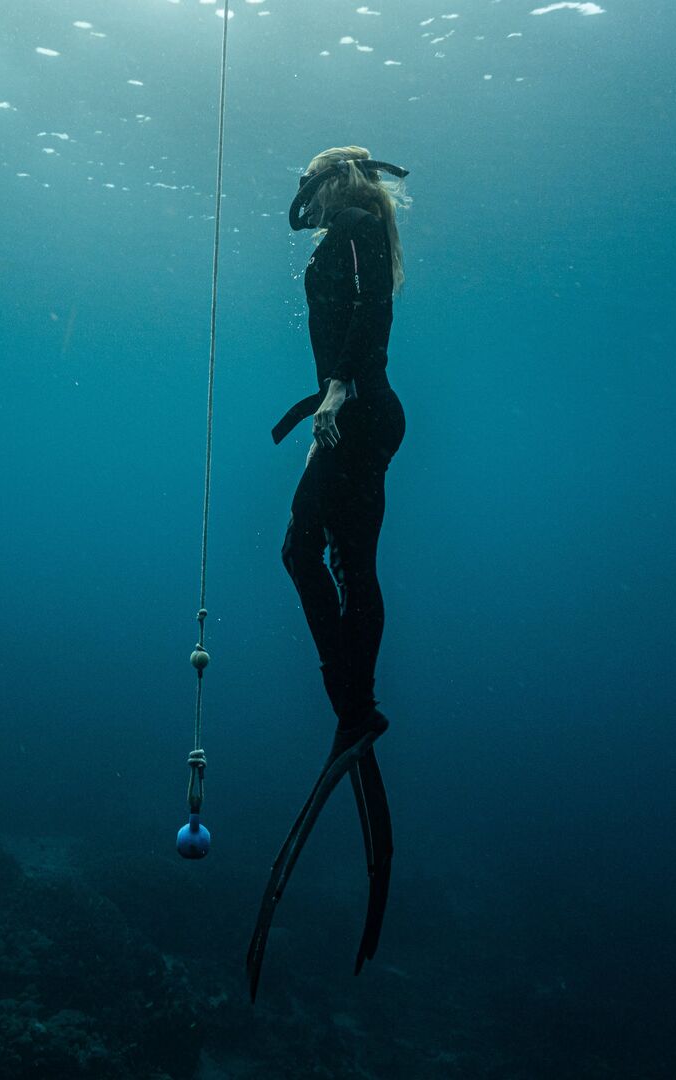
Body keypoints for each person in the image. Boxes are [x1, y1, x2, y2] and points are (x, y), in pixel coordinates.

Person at [248, 146, 411, 1001]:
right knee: (343, 562)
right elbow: (359, 313)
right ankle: (356, 706)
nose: (301, 197)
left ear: (332, 180)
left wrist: (339, 390)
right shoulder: (350, 228)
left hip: (359, 413)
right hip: (356, 414)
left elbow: (372, 310)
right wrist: (332, 394)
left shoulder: (355, 223)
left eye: (307, 182)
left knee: (306, 553)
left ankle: (352, 706)